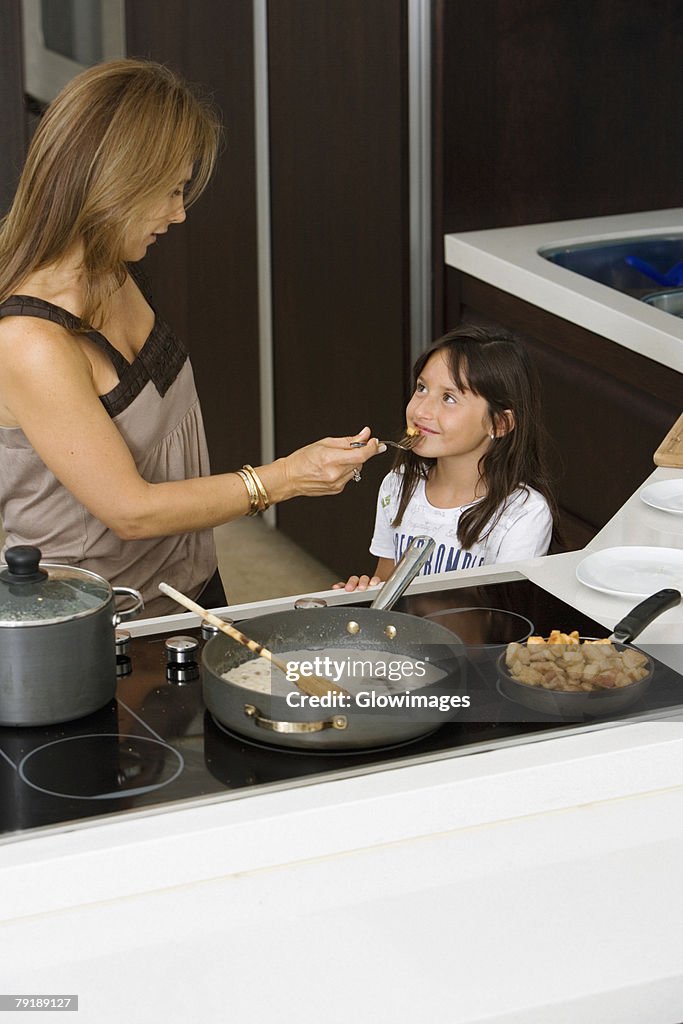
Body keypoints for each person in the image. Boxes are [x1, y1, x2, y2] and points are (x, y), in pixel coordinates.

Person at [0, 59, 382, 616]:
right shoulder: (30, 341)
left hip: (187, 584)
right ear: (113, 181)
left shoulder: (112, 267)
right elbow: (130, 510)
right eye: (171, 190)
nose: (179, 213)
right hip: (94, 620)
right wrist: (282, 479)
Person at [334, 325, 558, 592]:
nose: (421, 410)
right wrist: (361, 596)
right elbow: (386, 584)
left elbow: (504, 621)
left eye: (449, 398)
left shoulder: (524, 515)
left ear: (499, 423)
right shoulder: (397, 485)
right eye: (422, 388)